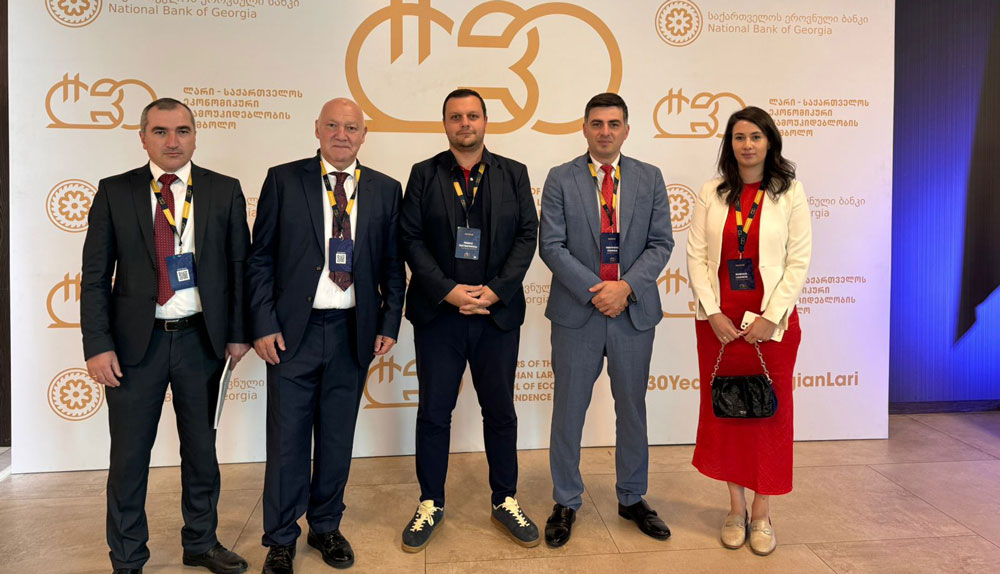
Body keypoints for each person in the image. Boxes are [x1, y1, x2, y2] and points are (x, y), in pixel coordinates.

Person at [81, 97, 251, 574]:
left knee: (202, 453)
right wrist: (97, 344)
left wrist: (238, 334)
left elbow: (240, 268)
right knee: (129, 458)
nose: (172, 141)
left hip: (202, 342)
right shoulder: (114, 191)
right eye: (160, 131)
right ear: (143, 138)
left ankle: (201, 543)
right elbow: (95, 277)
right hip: (135, 348)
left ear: (195, 136)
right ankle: (128, 558)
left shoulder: (224, 190)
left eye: (182, 131)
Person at [246, 98, 406, 573]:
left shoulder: (385, 189)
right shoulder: (283, 179)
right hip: (292, 334)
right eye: (333, 125)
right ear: (317, 129)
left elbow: (393, 265)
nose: (342, 134)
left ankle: (326, 526)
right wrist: (263, 323)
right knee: (287, 442)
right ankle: (280, 538)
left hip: (352, 332)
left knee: (337, 439)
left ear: (364, 134)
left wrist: (389, 323)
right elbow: (260, 258)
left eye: (351, 127)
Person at [398, 88, 540, 551]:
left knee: (500, 412)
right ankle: (430, 502)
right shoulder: (423, 174)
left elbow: (527, 235)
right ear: (445, 124)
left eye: (472, 116)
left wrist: (496, 290)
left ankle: (505, 499)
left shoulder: (513, 173)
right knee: (434, 413)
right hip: (439, 314)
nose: (465, 124)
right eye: (456, 116)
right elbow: (411, 238)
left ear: (485, 122)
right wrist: (449, 290)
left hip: (496, 316)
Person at [539, 93, 674, 547]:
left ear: (626, 130)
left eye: (614, 124)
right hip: (578, 312)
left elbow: (661, 243)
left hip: (632, 312)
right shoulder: (560, 178)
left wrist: (625, 287)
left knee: (631, 408)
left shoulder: (650, 177)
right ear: (584, 129)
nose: (605, 132)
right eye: (596, 123)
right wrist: (599, 291)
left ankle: (632, 497)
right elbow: (551, 245)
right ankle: (565, 500)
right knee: (569, 409)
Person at [686, 106, 812, 556]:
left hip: (770, 327)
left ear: (770, 142)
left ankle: (762, 512)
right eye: (739, 137)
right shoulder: (712, 191)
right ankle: (735, 508)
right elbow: (697, 257)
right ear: (730, 144)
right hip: (719, 327)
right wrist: (713, 313)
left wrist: (771, 317)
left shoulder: (790, 191)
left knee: (769, 416)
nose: (747, 145)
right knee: (729, 415)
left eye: (755, 136)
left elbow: (798, 261)